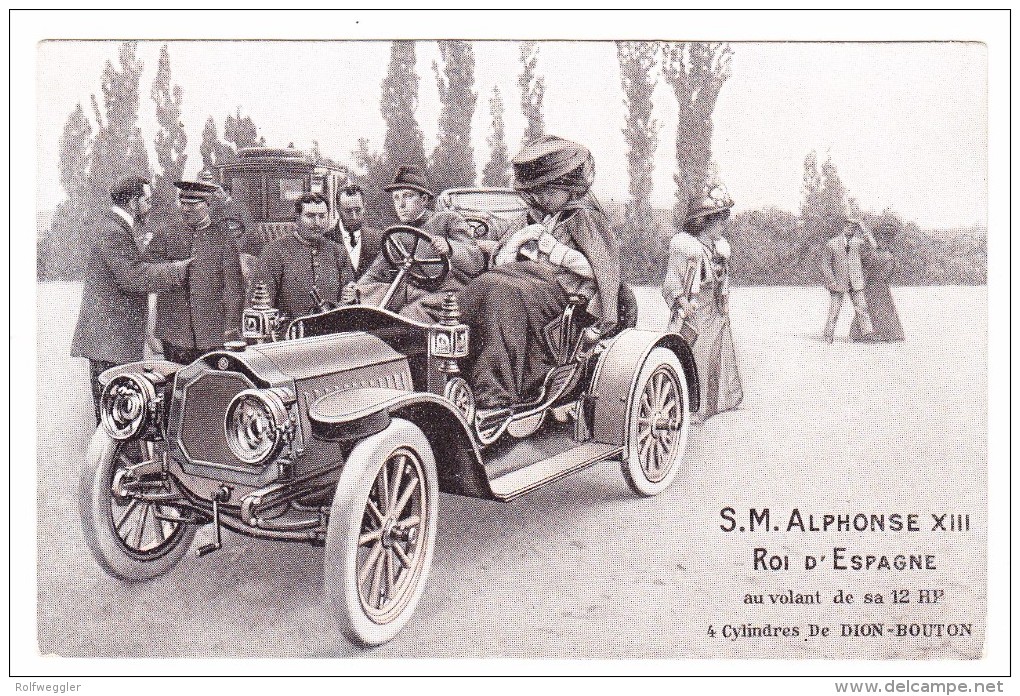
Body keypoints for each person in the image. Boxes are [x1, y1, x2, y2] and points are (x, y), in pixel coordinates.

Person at [455, 135, 620, 418]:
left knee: (499, 293)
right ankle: (461, 380)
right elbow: (501, 261)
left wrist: (554, 250)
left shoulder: (586, 217)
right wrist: (515, 243)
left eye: (548, 191)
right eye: (536, 191)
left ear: (569, 188)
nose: (540, 198)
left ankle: (494, 394)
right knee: (479, 289)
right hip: (522, 282)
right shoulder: (532, 216)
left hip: (559, 296)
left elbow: (601, 270)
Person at [70, 176, 192, 423]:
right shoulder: (114, 231)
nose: (149, 206)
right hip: (110, 344)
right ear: (132, 202)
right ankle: (115, 463)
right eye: (146, 200)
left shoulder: (117, 227)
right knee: (116, 421)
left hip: (113, 342)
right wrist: (180, 269)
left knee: (118, 418)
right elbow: (133, 277)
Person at [357, 165, 485, 321]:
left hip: (447, 295)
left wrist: (449, 247)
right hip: (411, 292)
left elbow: (476, 259)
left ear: (424, 199)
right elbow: (376, 271)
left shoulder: (447, 220)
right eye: (396, 198)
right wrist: (356, 288)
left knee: (409, 315)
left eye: (408, 196)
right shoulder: (396, 235)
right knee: (363, 300)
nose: (401, 204)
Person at [662, 184, 744, 422]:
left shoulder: (718, 248)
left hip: (716, 309)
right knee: (694, 355)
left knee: (716, 356)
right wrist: (681, 301)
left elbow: (721, 280)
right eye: (719, 220)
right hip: (695, 311)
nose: (723, 225)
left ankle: (713, 404)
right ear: (705, 222)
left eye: (723, 220)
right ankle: (690, 407)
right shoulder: (686, 248)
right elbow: (671, 279)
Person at [149, 180, 244, 365]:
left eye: (193, 204)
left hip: (212, 333)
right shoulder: (166, 234)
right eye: (183, 204)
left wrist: (231, 327)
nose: (186, 209)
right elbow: (149, 272)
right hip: (175, 331)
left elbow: (234, 288)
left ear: (208, 205)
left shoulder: (223, 237)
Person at [249, 192, 356, 320]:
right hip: (290, 335)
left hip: (331, 334)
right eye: (310, 216)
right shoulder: (274, 252)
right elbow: (259, 307)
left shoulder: (338, 252)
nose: (317, 223)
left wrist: (350, 297)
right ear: (297, 218)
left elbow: (350, 302)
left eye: (322, 216)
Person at [821, 217, 878, 343]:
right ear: (843, 226)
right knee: (834, 311)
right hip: (838, 283)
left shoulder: (858, 242)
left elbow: (874, 246)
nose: (851, 229)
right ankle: (828, 336)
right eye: (848, 226)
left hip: (856, 282)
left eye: (854, 227)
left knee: (862, 309)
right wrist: (831, 281)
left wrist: (862, 226)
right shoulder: (832, 243)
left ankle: (867, 335)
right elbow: (825, 264)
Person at [850, 222, 905, 342]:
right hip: (878, 286)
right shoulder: (887, 255)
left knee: (875, 308)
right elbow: (888, 272)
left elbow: (867, 263)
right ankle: (881, 334)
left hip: (874, 285)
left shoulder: (880, 254)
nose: (881, 241)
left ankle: (871, 334)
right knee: (879, 308)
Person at [324, 184, 383, 279]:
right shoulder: (325, 240)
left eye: (358, 210)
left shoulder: (379, 239)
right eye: (348, 211)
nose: (354, 216)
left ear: (364, 207)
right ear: (338, 209)